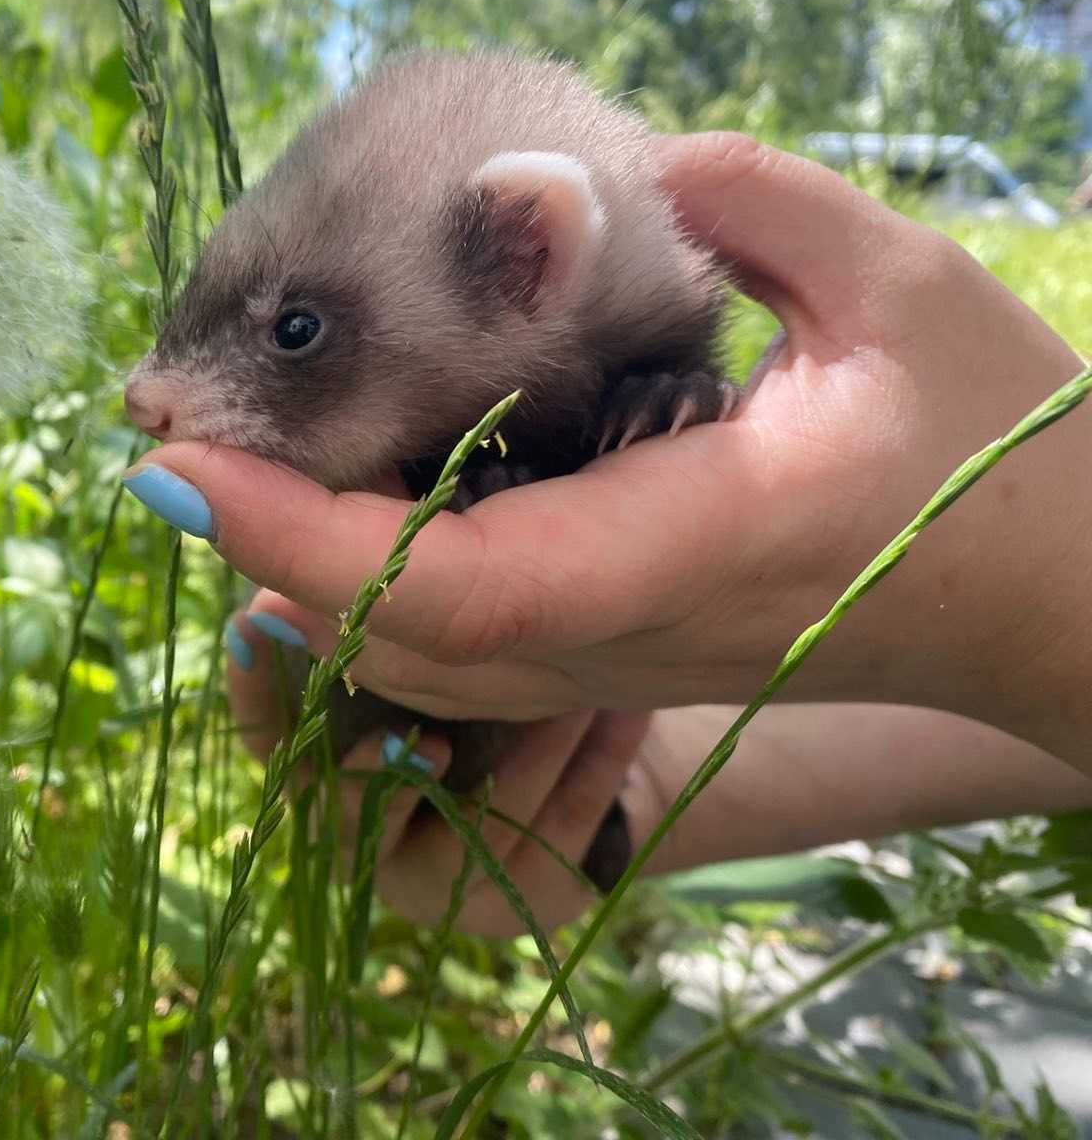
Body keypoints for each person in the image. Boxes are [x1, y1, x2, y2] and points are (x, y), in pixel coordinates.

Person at [118, 132, 1092, 936]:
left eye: (296, 333)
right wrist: (643, 783)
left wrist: (1044, 584)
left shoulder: (664, 386)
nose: (145, 398)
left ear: (524, 255)